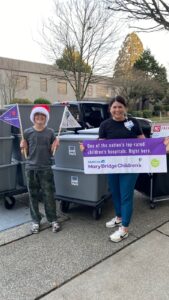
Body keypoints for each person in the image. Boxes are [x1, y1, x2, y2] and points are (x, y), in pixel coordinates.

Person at [99, 95, 145, 242]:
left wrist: (161, 145)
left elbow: (143, 142)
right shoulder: (105, 125)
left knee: (126, 195)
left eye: (120, 106)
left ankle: (124, 229)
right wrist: (87, 148)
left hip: (130, 166)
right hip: (113, 166)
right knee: (115, 193)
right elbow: (100, 145)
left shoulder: (133, 122)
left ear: (125, 108)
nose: (117, 109)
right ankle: (119, 218)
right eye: (114, 107)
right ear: (110, 109)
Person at [20, 104, 60, 234]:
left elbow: (52, 151)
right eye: (37, 115)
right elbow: (24, 153)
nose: (39, 117)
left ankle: (53, 219)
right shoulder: (27, 132)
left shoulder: (50, 132)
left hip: (45, 168)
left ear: (46, 118)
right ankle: (36, 221)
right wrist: (22, 147)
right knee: (33, 196)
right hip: (31, 168)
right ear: (33, 117)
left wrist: (56, 146)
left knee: (49, 195)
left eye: (42, 115)